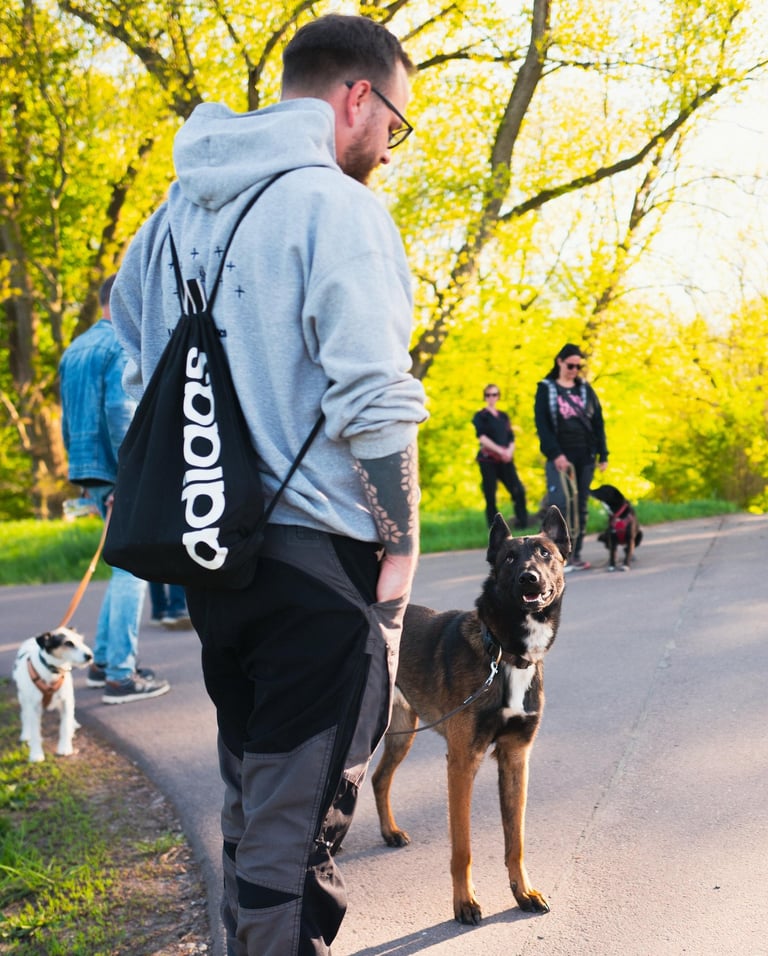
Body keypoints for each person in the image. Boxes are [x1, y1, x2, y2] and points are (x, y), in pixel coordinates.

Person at [110, 14, 427, 956]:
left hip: (215, 562)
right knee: (293, 846)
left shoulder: (168, 218)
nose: (387, 148)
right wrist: (402, 543)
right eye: (395, 125)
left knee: (256, 806)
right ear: (355, 97)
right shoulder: (338, 209)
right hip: (320, 571)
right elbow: (373, 396)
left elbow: (138, 367)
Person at [59, 275, 170, 703]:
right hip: (118, 470)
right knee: (134, 568)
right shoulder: (119, 344)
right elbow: (120, 410)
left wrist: (87, 476)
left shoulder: (76, 347)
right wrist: (129, 476)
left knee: (121, 565)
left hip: (89, 468)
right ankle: (121, 676)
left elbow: (68, 421)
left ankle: (103, 662)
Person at [534, 343, 608, 570]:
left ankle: (575, 554)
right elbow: (542, 425)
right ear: (559, 362)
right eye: (570, 365)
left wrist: (603, 453)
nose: (574, 370)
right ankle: (552, 556)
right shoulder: (546, 388)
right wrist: (556, 454)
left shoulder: (585, 389)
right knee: (560, 506)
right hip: (559, 456)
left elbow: (598, 422)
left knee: (581, 505)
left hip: (584, 455)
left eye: (578, 366)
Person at [472, 384, 528, 529]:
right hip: (488, 460)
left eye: (495, 394)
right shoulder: (481, 416)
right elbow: (482, 437)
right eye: (489, 395)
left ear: (498, 396)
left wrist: (508, 452)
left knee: (518, 490)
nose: (492, 397)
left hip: (506, 460)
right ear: (485, 397)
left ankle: (522, 523)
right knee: (490, 495)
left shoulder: (503, 416)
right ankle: (494, 528)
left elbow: (511, 437)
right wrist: (499, 451)